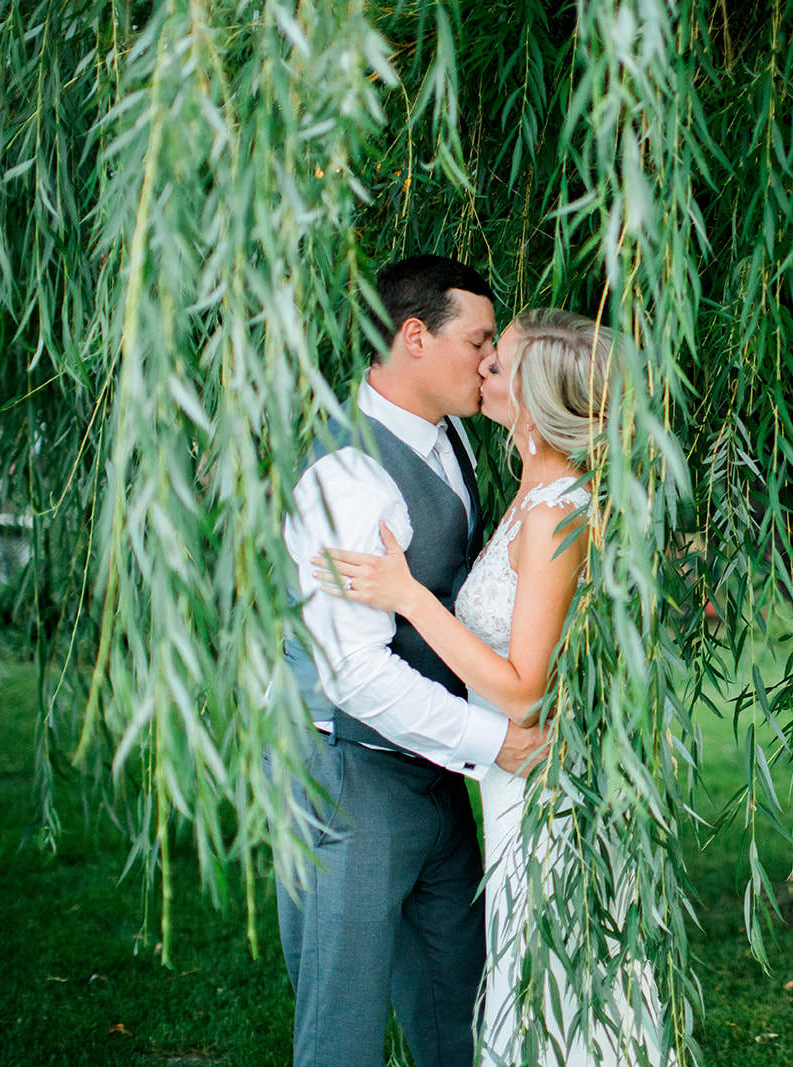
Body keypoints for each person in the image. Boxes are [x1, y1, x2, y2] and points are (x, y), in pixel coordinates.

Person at [316, 309, 666, 1066]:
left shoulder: (555, 513)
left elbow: (522, 688)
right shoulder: (525, 489)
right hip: (512, 785)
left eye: (498, 364)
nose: (482, 371)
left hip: (539, 786)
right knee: (527, 971)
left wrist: (409, 599)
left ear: (536, 399)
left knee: (558, 982)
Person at [277, 255, 545, 1067]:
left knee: (457, 1004)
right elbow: (355, 671)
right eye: (480, 340)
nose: (494, 361)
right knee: (343, 1029)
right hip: (349, 775)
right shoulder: (346, 477)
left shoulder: (450, 429)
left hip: (436, 766)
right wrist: (491, 738)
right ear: (414, 336)